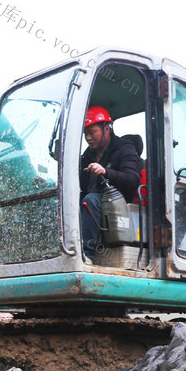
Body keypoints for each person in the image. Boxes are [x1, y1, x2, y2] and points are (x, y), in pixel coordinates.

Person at [79, 106, 141, 260]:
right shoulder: (88, 155)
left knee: (90, 200)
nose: (88, 138)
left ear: (106, 129)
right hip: (94, 200)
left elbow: (132, 180)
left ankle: (87, 254)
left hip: (115, 202)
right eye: (85, 134)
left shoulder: (124, 149)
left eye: (92, 133)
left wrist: (106, 172)